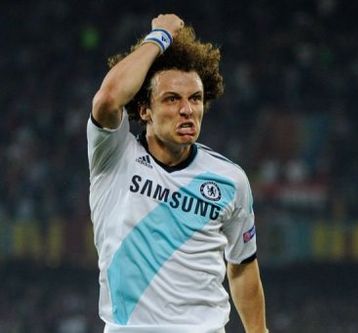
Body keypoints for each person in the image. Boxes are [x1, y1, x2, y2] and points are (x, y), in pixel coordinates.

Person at [87, 13, 268, 333]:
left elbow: (242, 264)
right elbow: (109, 97)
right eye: (172, 99)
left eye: (195, 98)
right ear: (144, 110)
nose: (187, 110)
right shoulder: (114, 156)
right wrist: (159, 37)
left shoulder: (230, 179)